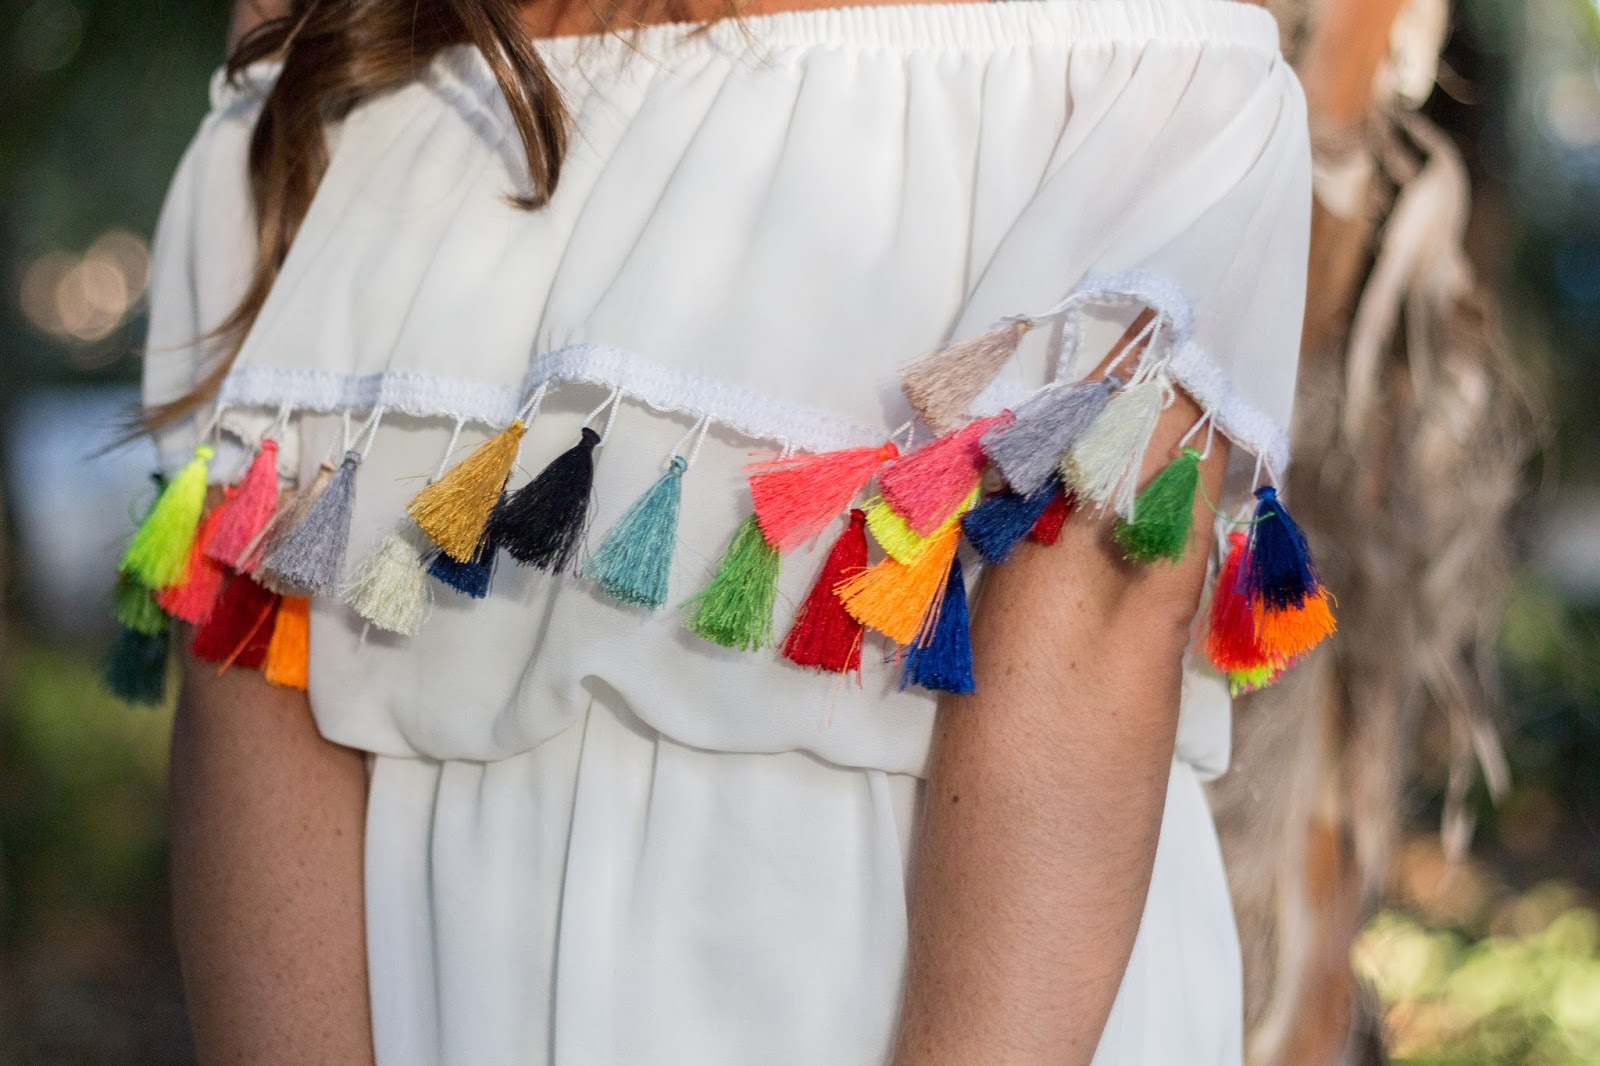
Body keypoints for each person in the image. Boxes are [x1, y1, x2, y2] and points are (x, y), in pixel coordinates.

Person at [130, 0, 1315, 1061]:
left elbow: (1092, 630)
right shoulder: (340, 36)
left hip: (936, 997)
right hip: (433, 995)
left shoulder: (1115, 54)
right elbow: (252, 632)